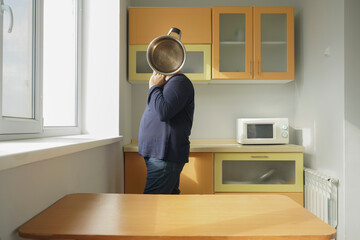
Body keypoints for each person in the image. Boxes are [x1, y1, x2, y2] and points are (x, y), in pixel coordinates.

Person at [138, 70, 195, 194]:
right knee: (167, 204)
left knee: (152, 204)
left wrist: (153, 87)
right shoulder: (168, 83)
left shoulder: (179, 82)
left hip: (164, 155)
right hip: (160, 154)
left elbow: (163, 112)